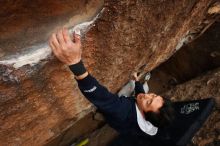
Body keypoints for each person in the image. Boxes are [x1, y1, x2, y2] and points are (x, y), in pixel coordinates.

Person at [49, 28, 175, 145]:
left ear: (143, 115)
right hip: (126, 124)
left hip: (117, 119)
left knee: (108, 108)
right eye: (153, 96)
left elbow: (100, 95)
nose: (147, 96)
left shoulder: (123, 111)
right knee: (139, 95)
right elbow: (141, 97)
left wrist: (75, 63)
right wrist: (137, 83)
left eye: (148, 103)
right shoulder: (154, 124)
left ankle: (102, 113)